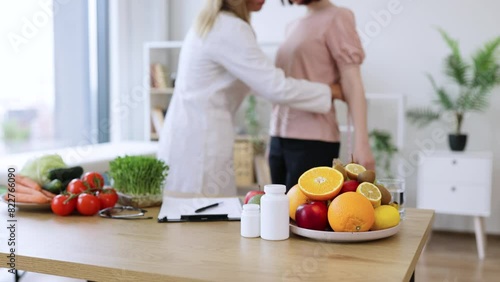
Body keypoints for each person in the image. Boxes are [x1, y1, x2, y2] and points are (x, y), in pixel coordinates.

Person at [157, 0, 343, 197]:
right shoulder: (231, 29)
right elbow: (275, 86)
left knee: (190, 213)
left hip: (187, 137)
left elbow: (260, 82)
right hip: (201, 145)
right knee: (204, 215)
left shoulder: (213, 23)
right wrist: (330, 91)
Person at [268, 0, 375, 191]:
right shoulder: (292, 25)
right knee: (277, 216)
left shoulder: (338, 17)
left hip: (313, 141)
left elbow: (352, 83)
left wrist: (362, 144)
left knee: (303, 218)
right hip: (277, 138)